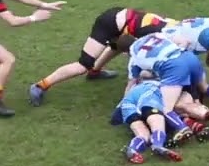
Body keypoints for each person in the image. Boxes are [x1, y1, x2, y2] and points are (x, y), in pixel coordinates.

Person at [27, 7, 170, 106]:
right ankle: (40, 86)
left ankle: (95, 72)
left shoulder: (174, 28)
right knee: (83, 65)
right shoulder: (161, 38)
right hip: (110, 22)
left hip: (122, 19)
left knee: (119, 46)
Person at [113, 80, 184, 163]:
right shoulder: (169, 83)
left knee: (142, 134)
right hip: (150, 92)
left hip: (128, 100)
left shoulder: (139, 75)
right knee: (157, 124)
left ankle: (133, 149)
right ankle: (157, 145)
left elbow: (130, 83)